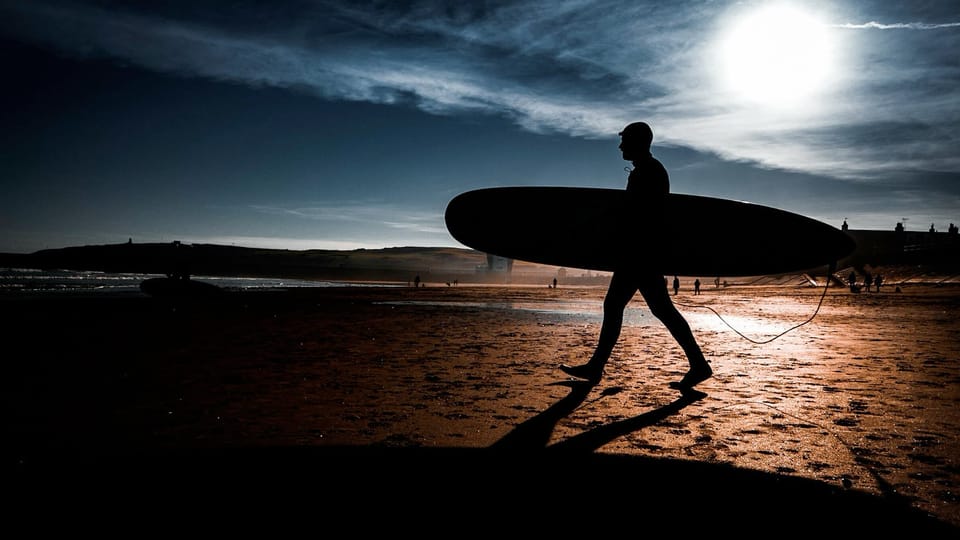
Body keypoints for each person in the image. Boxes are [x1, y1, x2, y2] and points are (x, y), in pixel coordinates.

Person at [560, 122, 712, 391]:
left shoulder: (650, 172)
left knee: (628, 306)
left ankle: (598, 366)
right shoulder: (646, 170)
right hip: (642, 254)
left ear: (638, 142)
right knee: (654, 309)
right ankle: (697, 364)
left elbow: (644, 217)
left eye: (625, 141)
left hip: (640, 254)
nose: (620, 146)